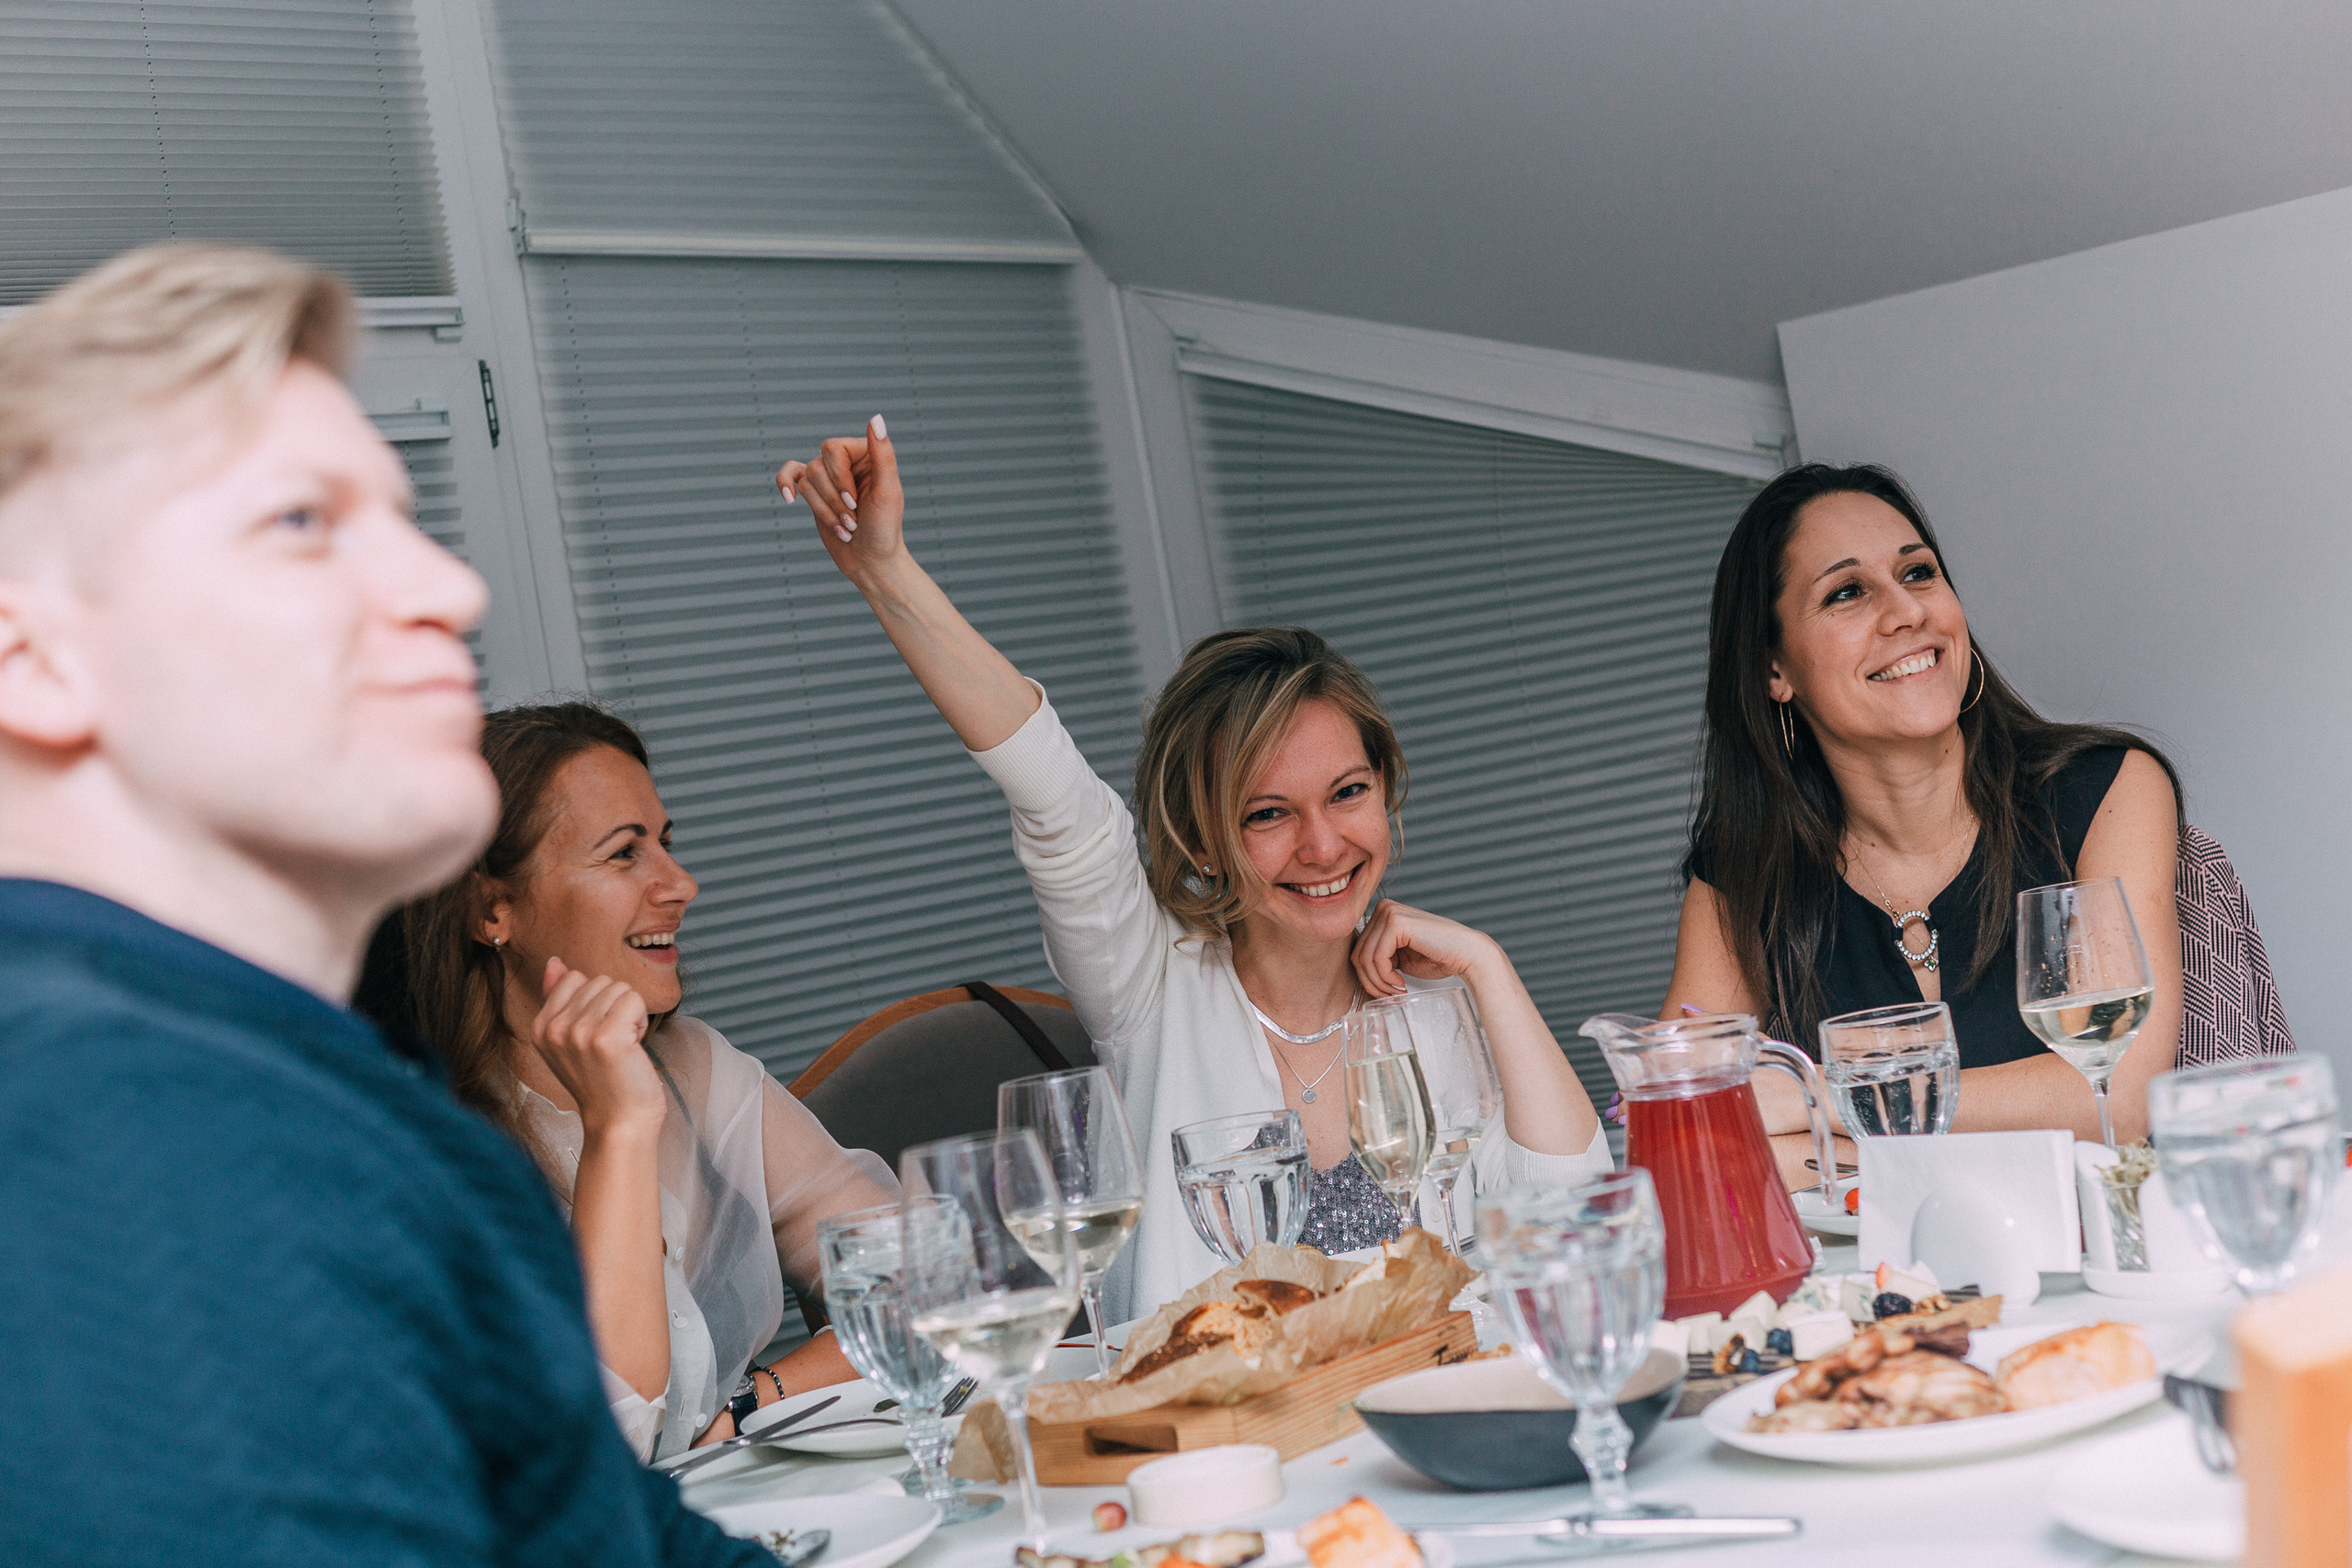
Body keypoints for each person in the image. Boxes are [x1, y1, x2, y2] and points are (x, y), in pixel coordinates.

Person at [0, 243, 765, 1566]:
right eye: (303, 522)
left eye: (405, 520)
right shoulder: (107, 1123)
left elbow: (616, 1537)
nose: (448, 589)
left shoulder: (318, 1092)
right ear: (38, 663)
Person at [775, 419, 1610, 1323]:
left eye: (1347, 793)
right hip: (1219, 1413)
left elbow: (1577, 1218)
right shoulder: (1151, 982)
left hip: (1438, 1402)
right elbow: (1053, 793)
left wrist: (1489, 968)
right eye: (1267, 814)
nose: (1322, 845)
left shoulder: (1436, 1008)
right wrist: (885, 571)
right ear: (1202, 839)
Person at [360, 702, 896, 1462]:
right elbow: (596, 1452)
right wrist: (618, 1127)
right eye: (623, 854)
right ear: (492, 908)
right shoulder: (417, 1152)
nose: (681, 883)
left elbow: (927, 1284)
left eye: (666, 844)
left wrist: (753, 1402)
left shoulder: (697, 1071)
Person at [1661, 464, 2183, 1174]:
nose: (1906, 610)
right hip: (1896, 1252)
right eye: (1847, 592)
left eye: (1918, 573)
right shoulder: (1744, 878)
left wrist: (1817, 1099)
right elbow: (1686, 1132)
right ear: (1774, 669)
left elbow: (2117, 1095)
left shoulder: (2105, 790)